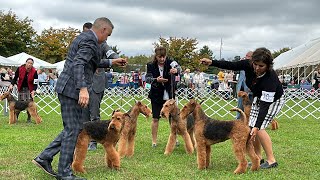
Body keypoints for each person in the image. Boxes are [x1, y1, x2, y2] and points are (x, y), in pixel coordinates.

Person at [32, 17, 128, 180]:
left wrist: (113, 61)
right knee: (72, 130)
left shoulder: (85, 38)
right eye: (108, 35)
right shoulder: (90, 41)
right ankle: (64, 172)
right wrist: (83, 88)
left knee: (73, 128)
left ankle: (45, 157)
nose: (107, 39)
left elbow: (93, 61)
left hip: (68, 88)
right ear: (103, 29)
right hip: (72, 89)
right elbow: (78, 64)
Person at [200, 47, 285, 169]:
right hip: (258, 97)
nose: (257, 68)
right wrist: (212, 62)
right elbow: (232, 65)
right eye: (255, 64)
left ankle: (271, 160)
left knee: (258, 128)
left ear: (268, 65)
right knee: (250, 127)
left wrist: (257, 126)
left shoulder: (270, 79)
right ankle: (258, 157)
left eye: (261, 66)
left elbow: (265, 107)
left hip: (273, 100)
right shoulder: (248, 64)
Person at [81, 22, 122, 151]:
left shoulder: (102, 44)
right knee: (84, 114)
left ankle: (94, 141)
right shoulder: (82, 44)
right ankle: (85, 138)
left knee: (94, 113)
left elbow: (111, 54)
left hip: (97, 84)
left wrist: (118, 59)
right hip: (83, 83)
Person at [146, 47, 179, 147]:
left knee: (173, 118)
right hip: (156, 94)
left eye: (164, 57)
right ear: (156, 56)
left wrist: (175, 70)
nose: (162, 59)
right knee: (155, 118)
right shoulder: (150, 65)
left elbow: (179, 68)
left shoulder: (171, 62)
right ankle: (154, 141)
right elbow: (147, 79)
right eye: (160, 57)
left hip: (169, 94)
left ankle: (175, 139)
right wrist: (156, 79)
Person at [8, 58, 38, 123]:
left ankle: (29, 118)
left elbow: (35, 83)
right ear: (26, 62)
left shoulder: (34, 71)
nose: (29, 64)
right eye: (28, 63)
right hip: (21, 88)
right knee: (19, 104)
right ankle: (16, 118)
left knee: (29, 104)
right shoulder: (20, 69)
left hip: (29, 89)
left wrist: (34, 90)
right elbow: (15, 78)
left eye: (31, 63)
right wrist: (11, 84)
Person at [236, 51, 253, 119]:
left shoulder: (254, 66)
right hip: (241, 91)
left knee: (250, 110)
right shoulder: (243, 64)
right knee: (240, 108)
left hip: (250, 91)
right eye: (246, 56)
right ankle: (238, 121)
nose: (246, 57)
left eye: (248, 56)